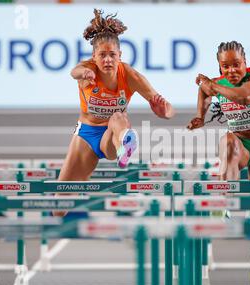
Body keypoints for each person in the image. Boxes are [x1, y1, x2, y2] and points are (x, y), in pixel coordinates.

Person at [55, 9, 175, 216]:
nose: (108, 60)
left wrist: (165, 112)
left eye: (112, 55)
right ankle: (122, 145)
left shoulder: (130, 75)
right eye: (102, 55)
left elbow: (167, 107)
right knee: (60, 204)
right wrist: (82, 73)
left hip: (112, 136)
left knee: (118, 117)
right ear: (94, 57)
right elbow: (73, 71)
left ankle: (124, 148)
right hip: (86, 134)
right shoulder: (86, 70)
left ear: (120, 56)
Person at [186, 41, 250, 285]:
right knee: (227, 142)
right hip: (240, 146)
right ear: (220, 66)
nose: (231, 71)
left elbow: (246, 97)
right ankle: (223, 201)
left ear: (245, 62)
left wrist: (212, 85)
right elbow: (204, 93)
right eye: (225, 66)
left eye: (236, 64)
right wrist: (200, 116)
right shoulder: (219, 83)